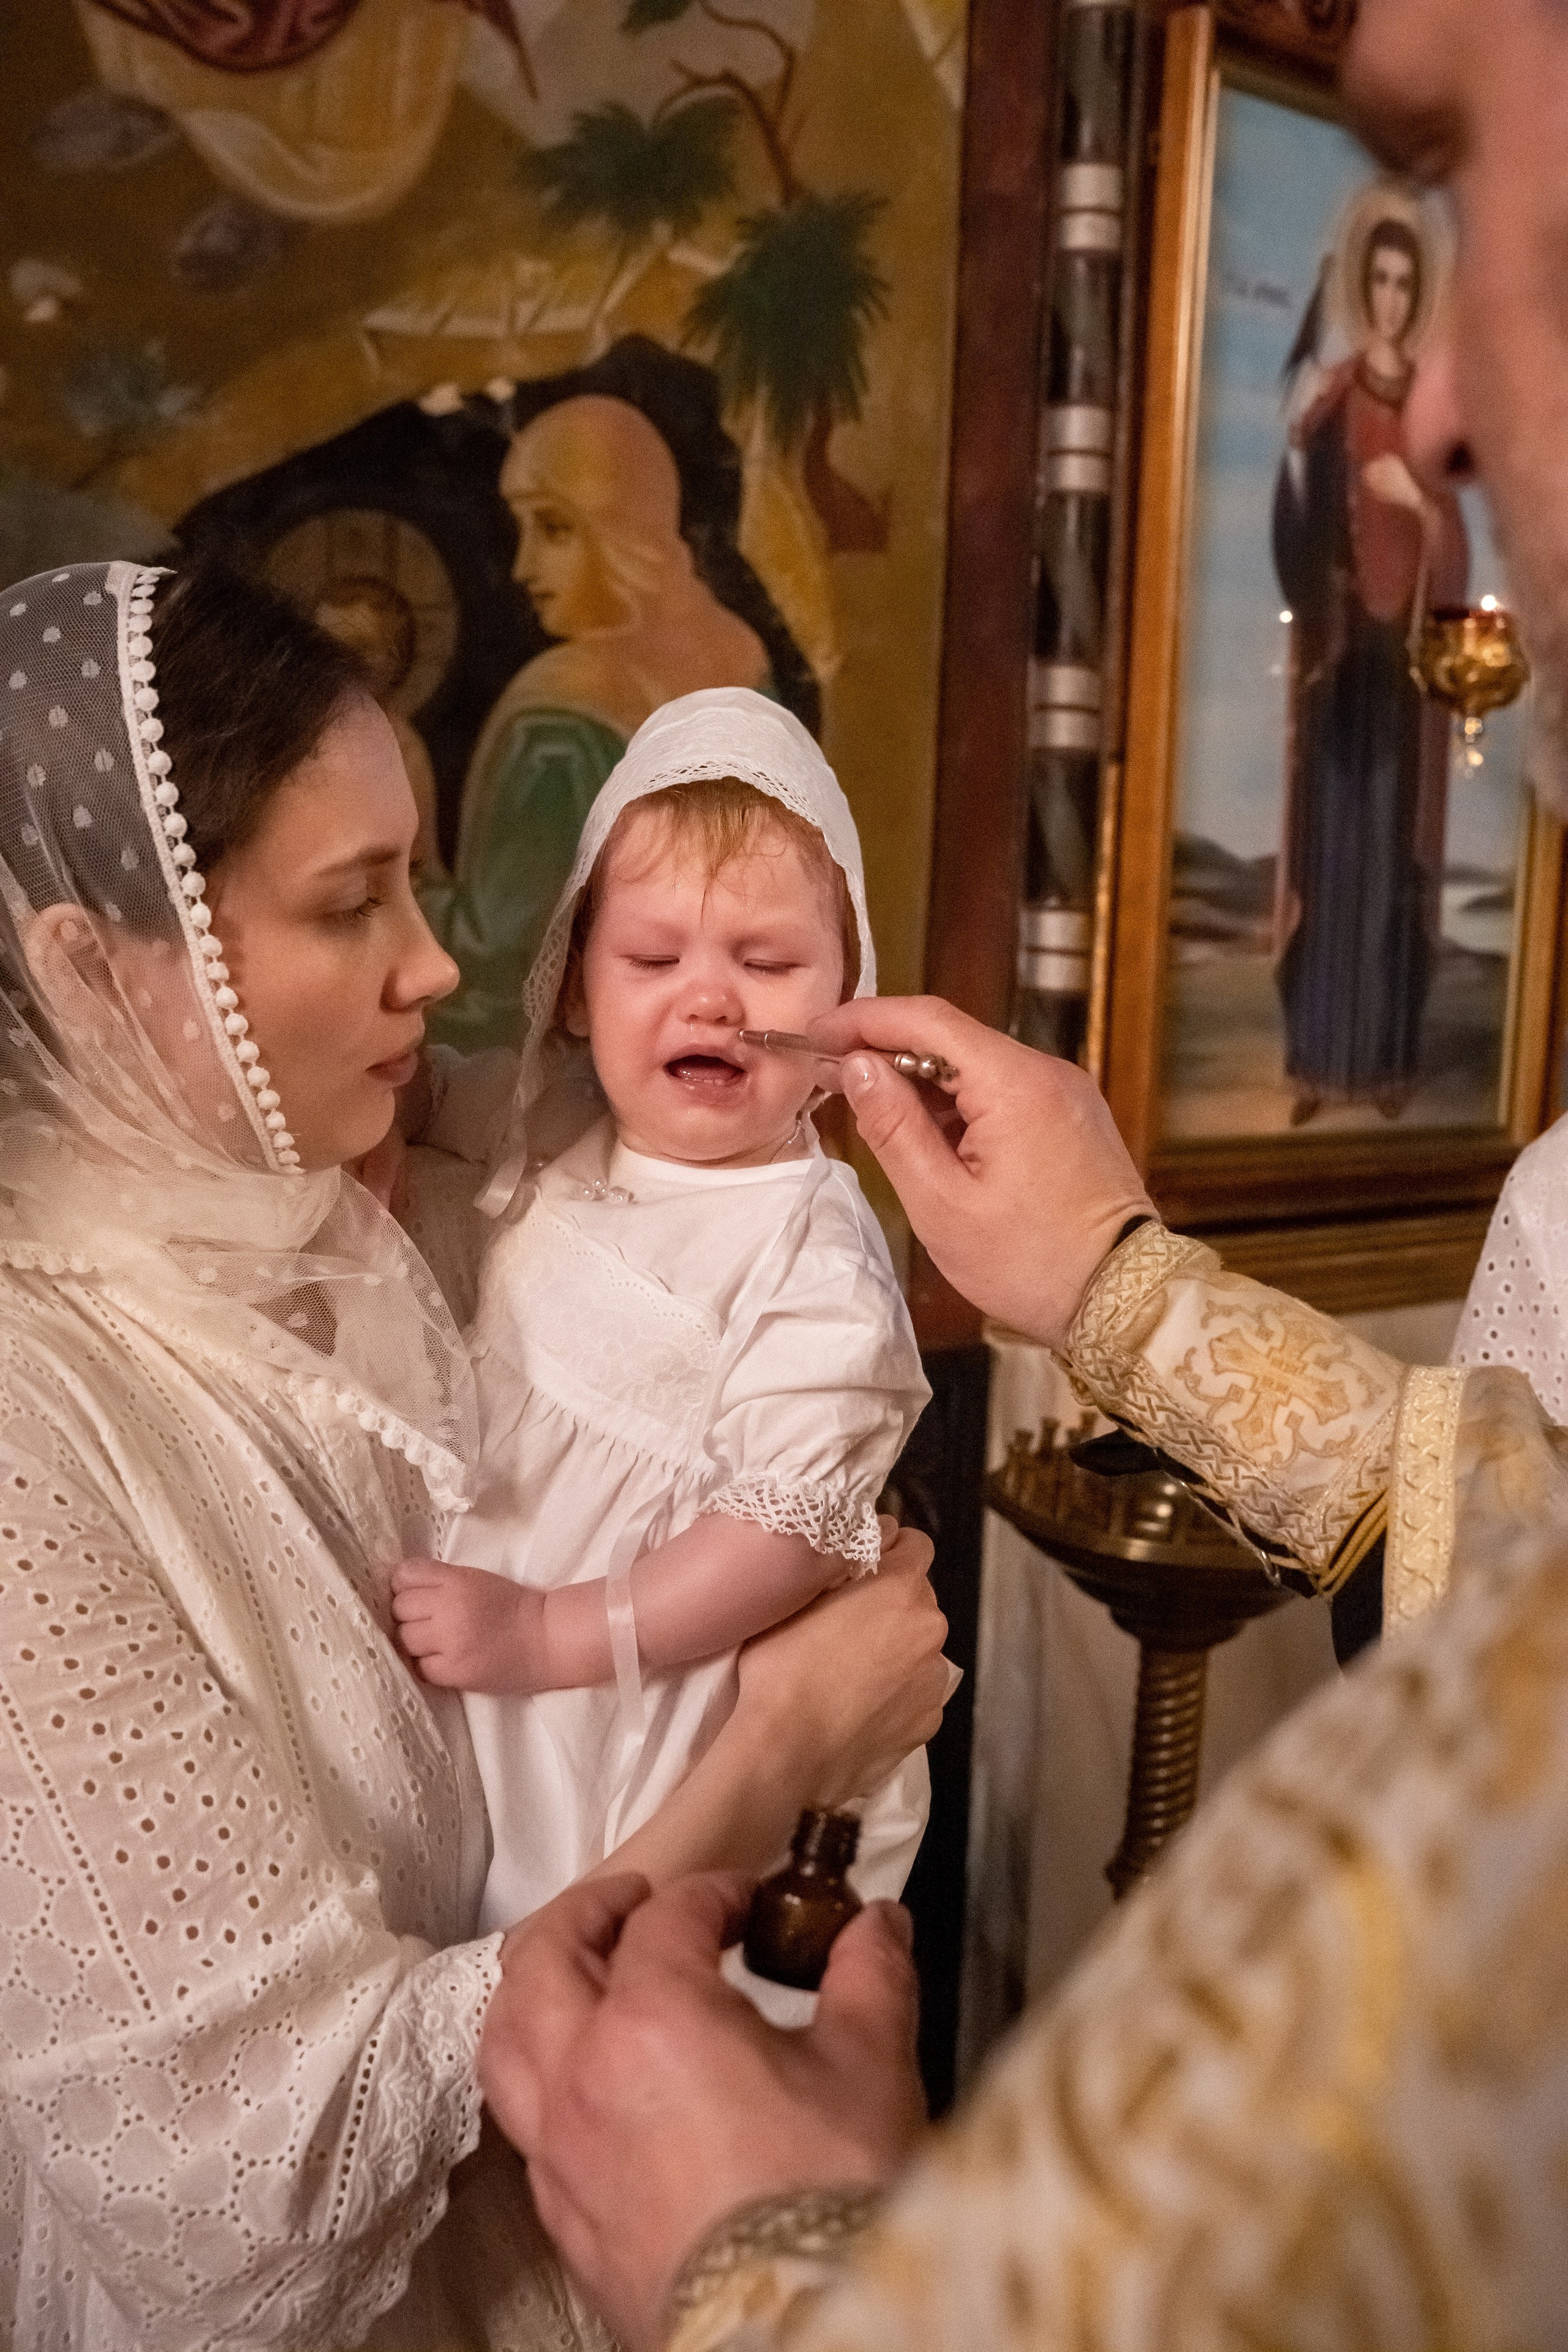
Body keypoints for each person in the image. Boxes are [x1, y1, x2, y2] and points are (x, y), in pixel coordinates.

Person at [473, 6, 1568, 2343]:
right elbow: (1507, 1560)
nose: (1444, 408)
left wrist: (761, 2262)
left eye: (1522, 243)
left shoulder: (804, 1262)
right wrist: (1112, 1280)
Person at [0, 556, 951, 2350]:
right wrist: (779, 1749)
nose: (439, 960)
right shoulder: (30, 1439)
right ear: (97, 965)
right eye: (354, 901)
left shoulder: (359, 1223)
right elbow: (242, 2198)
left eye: (421, 881)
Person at [389, 691, 933, 1956]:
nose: (710, 1001)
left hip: (642, 1698)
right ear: (574, 987)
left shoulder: (809, 1247)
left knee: (605, 1984)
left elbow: (781, 1534)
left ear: (846, 997)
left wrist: (549, 1635)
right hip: (488, 1679)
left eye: (766, 962)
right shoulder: (544, 1121)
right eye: (651, 961)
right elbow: (407, 1101)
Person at [418, 394, 775, 1054]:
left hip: (569, 1077)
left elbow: (500, 957)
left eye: (553, 529)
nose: (524, 567)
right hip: (711, 1040)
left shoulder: (562, 712)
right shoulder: (737, 655)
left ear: (621, 529)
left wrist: (406, 878)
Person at [1273, 192, 1468, 1125]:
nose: (1391, 298)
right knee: (1334, 856)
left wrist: (1419, 506)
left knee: (1390, 866)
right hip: (1343, 665)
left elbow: (1458, 552)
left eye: (1405, 282)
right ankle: (1318, 1061)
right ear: (1366, 286)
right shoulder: (1336, 398)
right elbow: (1301, 524)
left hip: (1402, 679)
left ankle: (1385, 1063)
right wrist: (1300, 452)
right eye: (1379, 281)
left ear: (1419, 290)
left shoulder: (1432, 417)